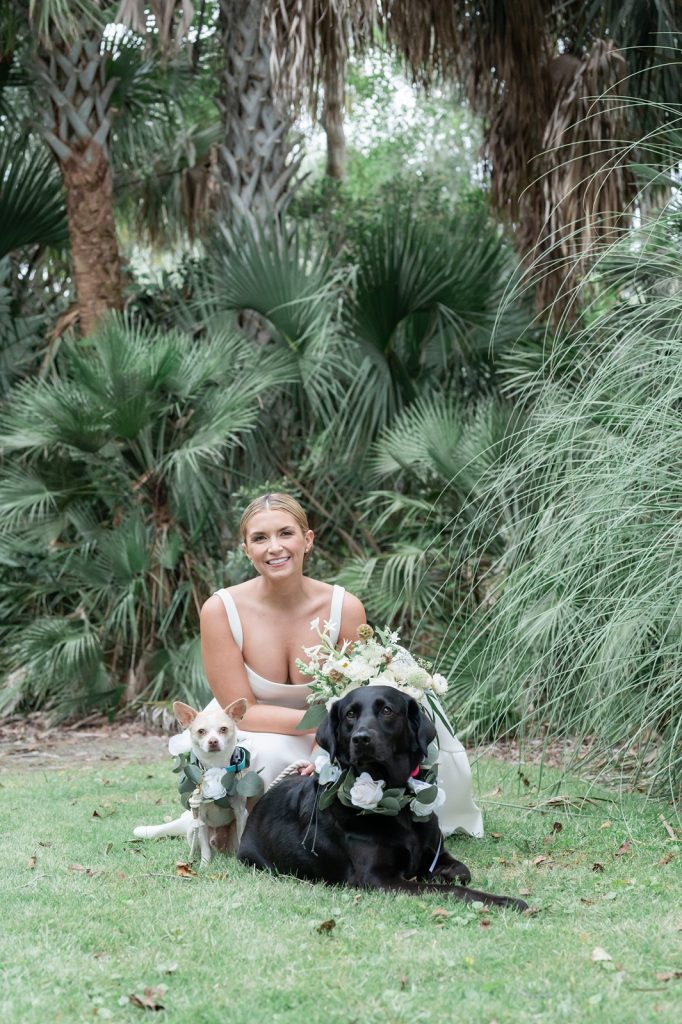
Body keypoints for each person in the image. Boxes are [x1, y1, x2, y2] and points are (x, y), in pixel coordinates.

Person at [135, 492, 483, 839]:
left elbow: (357, 695)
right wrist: (322, 726)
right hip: (264, 729)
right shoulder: (220, 610)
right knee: (268, 755)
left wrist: (326, 741)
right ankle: (244, 830)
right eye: (260, 538)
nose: (274, 548)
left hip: (334, 733)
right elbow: (242, 712)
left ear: (307, 539)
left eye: (285, 533)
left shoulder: (344, 608)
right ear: (246, 549)